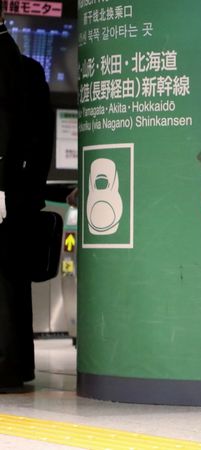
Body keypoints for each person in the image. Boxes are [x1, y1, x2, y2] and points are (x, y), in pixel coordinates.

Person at [0, 12, 55, 392]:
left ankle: (5, 365)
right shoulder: (28, 69)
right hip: (18, 193)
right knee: (13, 281)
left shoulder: (10, 70)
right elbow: (42, 140)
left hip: (5, 190)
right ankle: (15, 365)